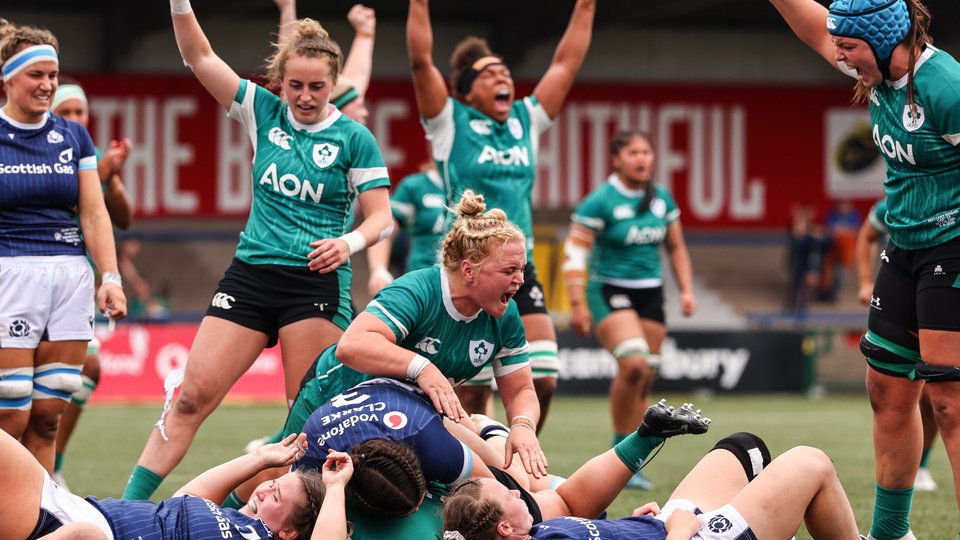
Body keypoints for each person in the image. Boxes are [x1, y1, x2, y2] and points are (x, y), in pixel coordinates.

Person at [122, 0, 392, 501]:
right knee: (189, 401)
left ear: (334, 84)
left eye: (316, 86)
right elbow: (199, 57)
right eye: (295, 85)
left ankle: (233, 510)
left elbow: (382, 218)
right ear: (281, 82)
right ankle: (126, 511)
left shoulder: (355, 139)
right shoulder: (261, 110)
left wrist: (348, 242)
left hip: (314, 283)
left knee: (306, 421)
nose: (305, 96)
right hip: (250, 275)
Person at [770, 0, 960, 537]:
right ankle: (892, 533)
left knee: (949, 402)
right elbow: (812, 24)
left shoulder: (947, 87)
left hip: (953, 251)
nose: (840, 56)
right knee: (887, 392)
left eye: (849, 47)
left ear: (884, 40)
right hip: (902, 247)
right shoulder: (874, 67)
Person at [405, 0, 598, 430]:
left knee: (543, 378)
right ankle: (471, 476)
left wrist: (585, 7)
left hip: (517, 267)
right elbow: (420, 61)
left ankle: (516, 453)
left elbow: (565, 64)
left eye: (506, 72)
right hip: (467, 268)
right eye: (490, 74)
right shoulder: (449, 121)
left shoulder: (525, 120)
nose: (503, 77)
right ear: (469, 90)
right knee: (471, 390)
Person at [282, 190, 547, 482]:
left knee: (502, 484)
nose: (520, 280)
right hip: (330, 397)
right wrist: (423, 368)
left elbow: (522, 389)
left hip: (403, 418)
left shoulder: (505, 315)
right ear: (469, 270)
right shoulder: (418, 290)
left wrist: (522, 425)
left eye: (521, 269)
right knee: (287, 492)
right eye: (509, 270)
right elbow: (352, 346)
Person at [0, 19, 127, 474]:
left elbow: (94, 214)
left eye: (52, 75)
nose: (48, 85)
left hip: (70, 277)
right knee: (9, 414)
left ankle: (40, 519)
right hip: (9, 275)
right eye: (37, 75)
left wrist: (109, 276)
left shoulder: (73, 136)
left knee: (49, 416)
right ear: (7, 78)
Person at [561, 130, 696, 490]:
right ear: (616, 159)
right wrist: (576, 302)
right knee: (633, 364)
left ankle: (632, 460)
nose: (642, 159)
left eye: (647, 152)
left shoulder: (661, 198)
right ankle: (618, 448)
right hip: (609, 289)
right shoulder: (599, 201)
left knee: (647, 375)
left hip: (651, 293)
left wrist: (685, 289)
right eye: (634, 152)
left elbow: (677, 248)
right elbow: (575, 253)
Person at [444, 435, 861, 539]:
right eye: (509, 496)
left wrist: (630, 523)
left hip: (659, 525)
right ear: (502, 529)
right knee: (812, 463)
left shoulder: (537, 532)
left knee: (742, 448)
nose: (518, 493)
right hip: (682, 534)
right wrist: (680, 527)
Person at [0, 425, 359, 540]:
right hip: (68, 504)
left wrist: (337, 485)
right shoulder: (232, 520)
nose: (264, 487)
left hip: (83, 530)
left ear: (289, 532)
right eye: (271, 484)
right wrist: (258, 460)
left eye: (276, 494)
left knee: (85, 536)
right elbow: (186, 497)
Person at [49, 76, 134, 490]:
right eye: (65, 112)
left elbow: (122, 216)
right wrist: (99, 173)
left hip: (75, 287)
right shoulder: (39, 151)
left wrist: (111, 175)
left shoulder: (89, 154)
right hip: (32, 280)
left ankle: (52, 466)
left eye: (79, 112)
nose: (74, 119)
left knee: (89, 367)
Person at [855, 198, 940, 493]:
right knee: (894, 393)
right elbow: (866, 235)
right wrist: (865, 280)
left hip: (941, 289)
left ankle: (923, 465)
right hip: (902, 296)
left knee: (936, 397)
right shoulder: (894, 202)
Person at [275, 0, 375, 125]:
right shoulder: (298, 125)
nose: (365, 113)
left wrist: (365, 34)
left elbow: (358, 75)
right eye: (359, 106)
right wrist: (287, 8)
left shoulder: (352, 134)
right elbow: (291, 62)